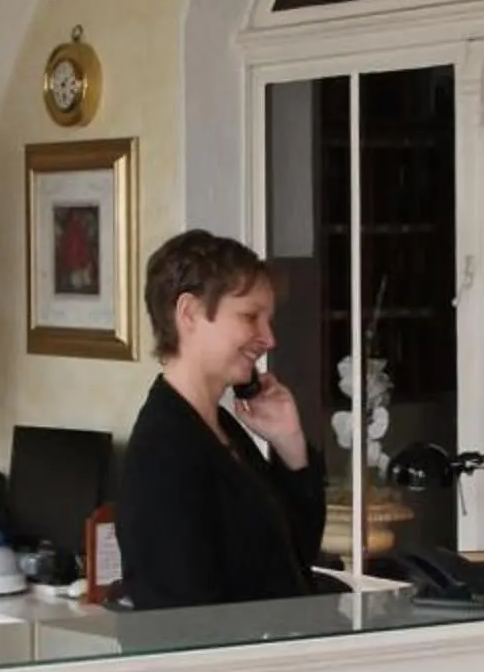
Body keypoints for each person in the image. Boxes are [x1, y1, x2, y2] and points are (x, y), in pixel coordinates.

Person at [115, 230, 326, 610]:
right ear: (189, 314)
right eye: (250, 317)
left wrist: (290, 444)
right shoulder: (163, 452)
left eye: (268, 320)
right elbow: (183, 617)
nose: (269, 339)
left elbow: (295, 557)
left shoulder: (223, 430)